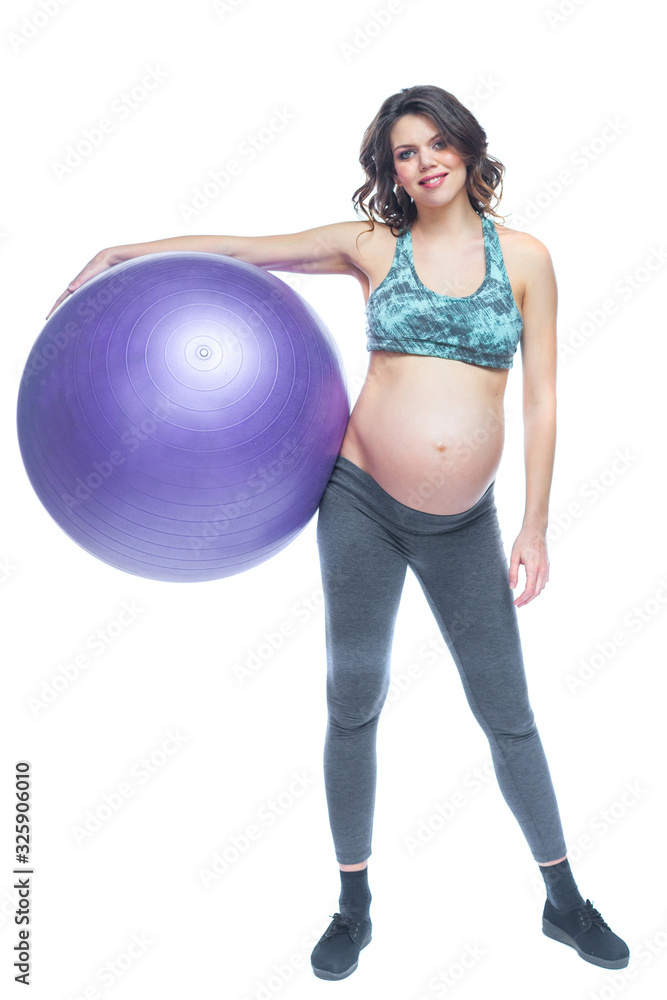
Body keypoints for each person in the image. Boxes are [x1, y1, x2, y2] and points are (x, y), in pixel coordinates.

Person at [47, 84, 630, 980]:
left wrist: (537, 524)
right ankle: (352, 908)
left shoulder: (525, 257)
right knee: (352, 701)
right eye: (404, 152)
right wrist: (128, 250)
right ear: (387, 169)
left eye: (437, 143)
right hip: (358, 500)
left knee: (506, 712)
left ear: (467, 148)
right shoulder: (371, 245)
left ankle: (562, 902)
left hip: (461, 525)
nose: (425, 161)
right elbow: (246, 249)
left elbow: (546, 399)